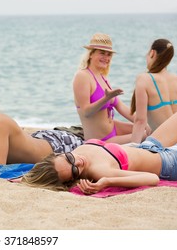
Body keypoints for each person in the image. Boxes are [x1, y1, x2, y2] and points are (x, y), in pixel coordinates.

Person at [21, 110, 177, 194]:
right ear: (73, 179)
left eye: (69, 158)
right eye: (75, 170)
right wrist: (108, 181)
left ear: (59, 154)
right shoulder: (99, 171)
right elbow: (152, 178)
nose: (79, 162)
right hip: (167, 163)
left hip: (149, 145)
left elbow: (39, 175)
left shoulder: (76, 153)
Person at [73, 32, 148, 144]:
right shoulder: (83, 76)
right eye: (102, 53)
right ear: (91, 54)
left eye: (109, 55)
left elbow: (122, 108)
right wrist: (106, 98)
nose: (106, 58)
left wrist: (143, 122)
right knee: (143, 135)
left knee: (145, 129)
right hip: (100, 140)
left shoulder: (102, 77)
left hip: (113, 129)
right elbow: (85, 112)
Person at [130, 39, 176, 143]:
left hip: (165, 149)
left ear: (152, 53)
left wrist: (132, 150)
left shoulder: (144, 79)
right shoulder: (175, 79)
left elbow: (140, 122)